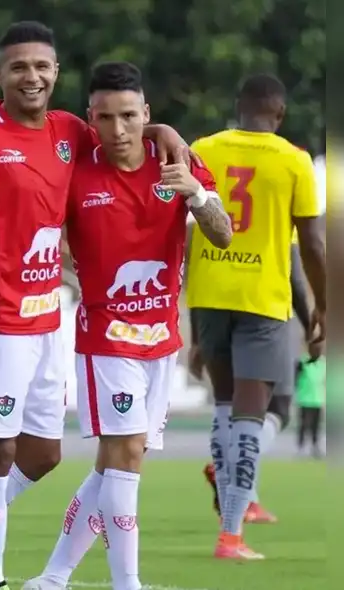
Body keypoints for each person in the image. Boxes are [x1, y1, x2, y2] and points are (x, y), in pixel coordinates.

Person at [0, 22, 192, 590]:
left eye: (41, 67)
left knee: (43, 455)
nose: (31, 76)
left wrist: (168, 132)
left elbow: (123, 128)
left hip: (45, 317)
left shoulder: (70, 130)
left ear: (55, 73)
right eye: (19, 67)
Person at [14, 62, 230, 590]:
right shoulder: (76, 170)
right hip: (105, 338)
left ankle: (53, 577)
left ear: (146, 114)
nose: (118, 129)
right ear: (91, 118)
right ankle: (126, 582)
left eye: (130, 116)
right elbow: (31, 223)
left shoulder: (177, 161)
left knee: (116, 467)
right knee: (126, 455)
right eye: (106, 118)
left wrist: (195, 196)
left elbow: (222, 234)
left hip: (161, 341)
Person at [186, 73, 326, 560]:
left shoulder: (204, 147)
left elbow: (186, 225)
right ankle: (231, 536)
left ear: (239, 107)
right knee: (253, 414)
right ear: (280, 114)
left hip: (209, 291)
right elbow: (308, 243)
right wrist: (324, 308)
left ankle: (231, 519)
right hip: (263, 297)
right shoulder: (293, 160)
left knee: (225, 407)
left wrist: (191, 323)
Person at [197, 240, 312, 524]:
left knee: (232, 404)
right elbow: (295, 274)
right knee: (275, 409)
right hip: (268, 312)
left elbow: (196, 265)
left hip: (216, 306)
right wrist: (312, 323)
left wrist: (199, 339)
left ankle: (246, 496)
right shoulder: (277, 207)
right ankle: (238, 483)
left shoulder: (214, 200)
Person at [295, 354, 325, 456]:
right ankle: (301, 447)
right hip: (304, 399)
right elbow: (295, 379)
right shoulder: (302, 362)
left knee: (316, 426)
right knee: (304, 425)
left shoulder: (322, 363)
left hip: (317, 399)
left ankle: (315, 447)